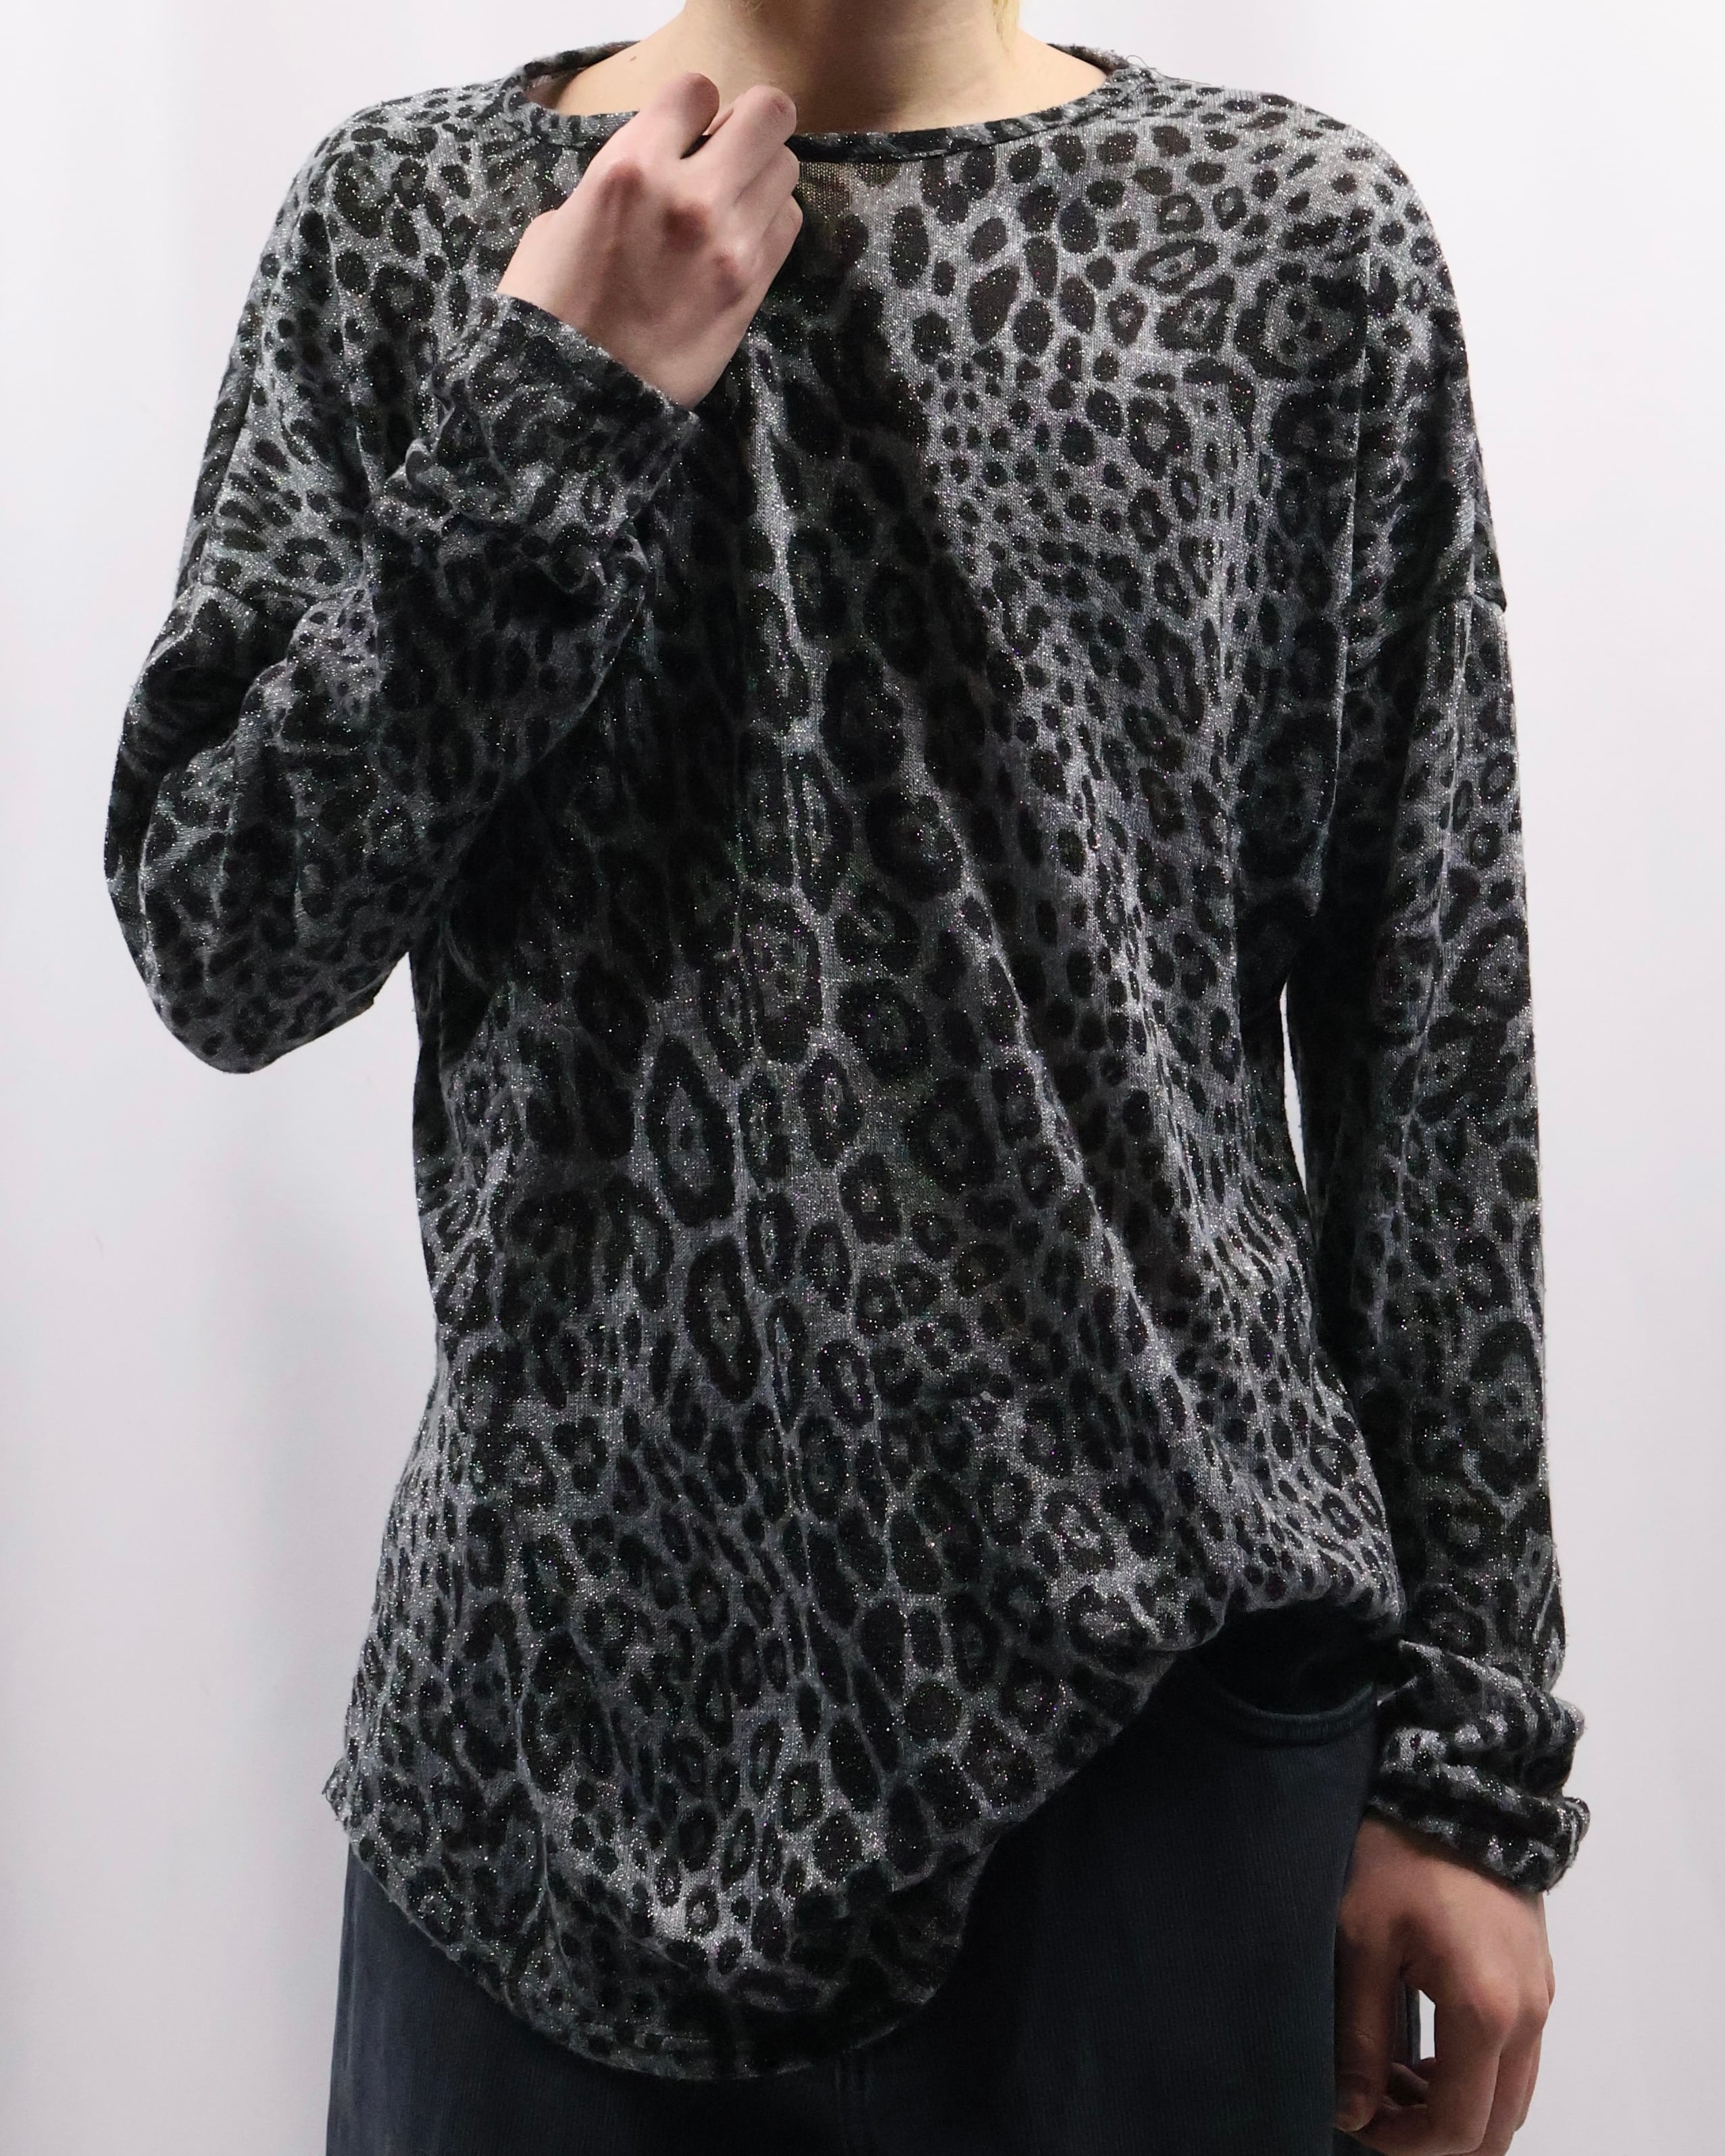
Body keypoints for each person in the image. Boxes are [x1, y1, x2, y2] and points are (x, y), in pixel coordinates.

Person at [101, 3, 1589, 2151]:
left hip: (1153, 1740)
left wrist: (1465, 1771)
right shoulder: (412, 220)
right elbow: (225, 937)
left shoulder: (1295, 241)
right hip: (546, 1759)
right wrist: (555, 401)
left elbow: (1429, 1019)